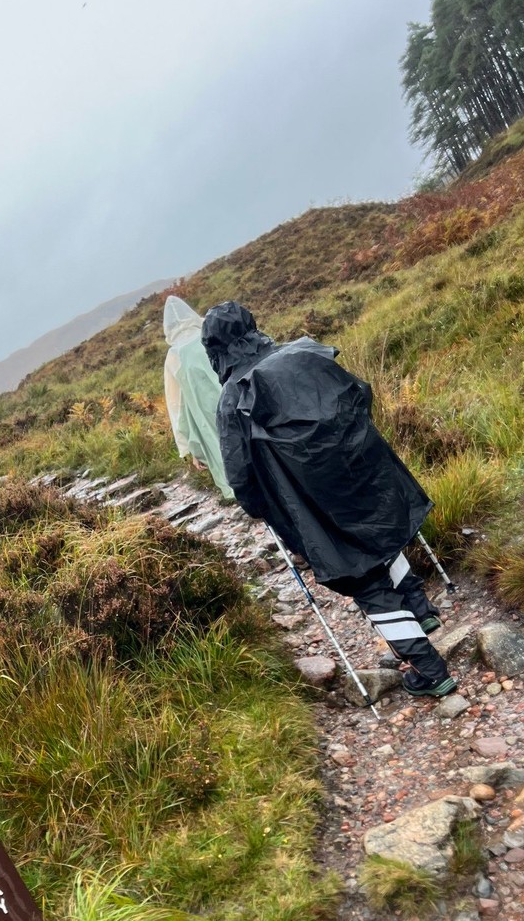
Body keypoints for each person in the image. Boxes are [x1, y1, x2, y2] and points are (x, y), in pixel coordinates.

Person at [201, 300, 455, 699]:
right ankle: (422, 614)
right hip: (363, 470)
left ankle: (429, 669)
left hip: (311, 503)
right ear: (253, 326)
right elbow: (359, 396)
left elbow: (240, 476)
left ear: (214, 350)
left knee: (362, 577)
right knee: (382, 539)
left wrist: (263, 510)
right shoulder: (304, 351)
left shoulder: (234, 398)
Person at [162, 296, 234, 499]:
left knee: (234, 469)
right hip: (237, 402)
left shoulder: (174, 357)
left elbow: (177, 406)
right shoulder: (210, 335)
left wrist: (190, 447)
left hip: (209, 421)